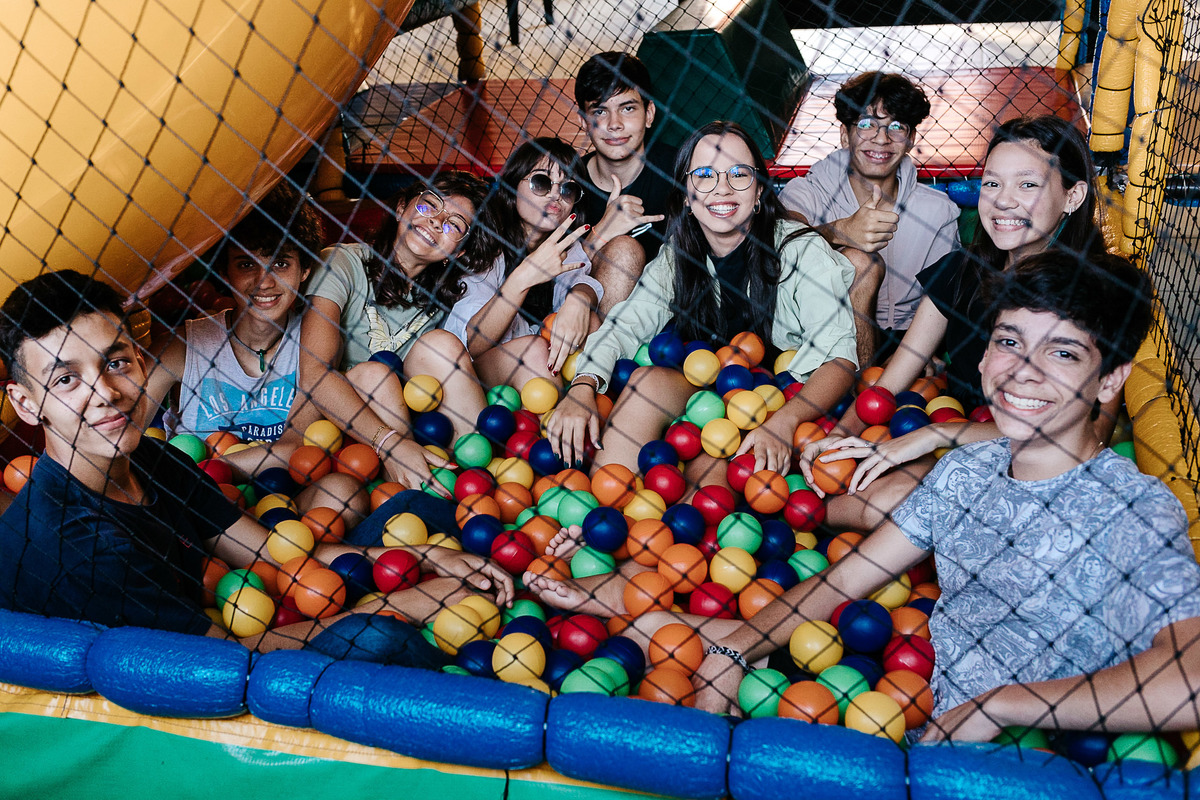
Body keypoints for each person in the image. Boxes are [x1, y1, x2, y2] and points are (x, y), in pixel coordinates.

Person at [685, 251, 1200, 745]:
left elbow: (1193, 680)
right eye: (1009, 342)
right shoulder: (965, 471)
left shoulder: (1132, 509)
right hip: (908, 718)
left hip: (1026, 763)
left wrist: (1002, 706)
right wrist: (732, 652)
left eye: (1062, 352)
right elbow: (844, 579)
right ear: (984, 356)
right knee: (656, 629)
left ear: (1110, 380)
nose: (1024, 370)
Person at [0, 271, 513, 652]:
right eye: (66, 380)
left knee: (417, 509)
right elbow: (221, 661)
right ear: (25, 403)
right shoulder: (77, 545)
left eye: (116, 363)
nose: (106, 393)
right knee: (378, 635)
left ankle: (507, 581)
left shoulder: (150, 458)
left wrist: (427, 559)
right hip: (181, 688)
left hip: (227, 615)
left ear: (139, 360)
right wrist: (401, 603)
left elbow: (268, 552)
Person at [799, 115, 1111, 532]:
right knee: (873, 490)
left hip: (1035, 459)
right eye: (993, 183)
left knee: (895, 503)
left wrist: (933, 436)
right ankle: (787, 514)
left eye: (1027, 185)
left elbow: (1090, 433)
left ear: (1073, 196)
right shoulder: (961, 272)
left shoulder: (1097, 292)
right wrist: (839, 436)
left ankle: (803, 518)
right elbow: (891, 383)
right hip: (957, 429)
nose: (1003, 201)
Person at [546, 121, 857, 482]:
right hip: (703, 399)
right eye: (705, 175)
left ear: (759, 190)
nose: (722, 187)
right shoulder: (678, 256)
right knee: (646, 383)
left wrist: (785, 421)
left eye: (739, 174)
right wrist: (583, 386)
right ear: (687, 197)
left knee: (711, 481)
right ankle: (601, 505)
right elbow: (625, 325)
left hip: (783, 400)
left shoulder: (801, 250)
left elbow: (839, 358)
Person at [302, 172, 490, 496]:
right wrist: (391, 442)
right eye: (429, 205)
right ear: (402, 206)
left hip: (417, 427)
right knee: (375, 375)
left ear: (459, 251)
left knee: (443, 344)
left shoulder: (446, 299)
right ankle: (415, 496)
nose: (436, 222)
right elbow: (313, 373)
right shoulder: (342, 262)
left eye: (454, 225)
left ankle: (473, 481)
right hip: (340, 431)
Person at [779, 72, 960, 366]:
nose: (881, 138)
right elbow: (781, 242)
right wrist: (839, 231)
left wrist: (913, 355)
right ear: (844, 134)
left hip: (906, 338)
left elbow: (941, 300)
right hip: (819, 332)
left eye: (896, 127)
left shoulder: (937, 211)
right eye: (866, 124)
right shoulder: (807, 191)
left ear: (910, 139)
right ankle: (858, 386)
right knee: (859, 261)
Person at [442, 137, 597, 389]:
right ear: (513, 186)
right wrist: (525, 277)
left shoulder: (564, 244)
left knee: (591, 322)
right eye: (541, 182)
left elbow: (580, 278)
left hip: (538, 370)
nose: (555, 195)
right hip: (472, 371)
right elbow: (472, 343)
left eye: (568, 189)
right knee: (535, 350)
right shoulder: (487, 242)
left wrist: (579, 298)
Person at [573, 51, 671, 316]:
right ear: (583, 120)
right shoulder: (566, 186)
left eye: (627, 108)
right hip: (590, 323)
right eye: (600, 111)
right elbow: (549, 288)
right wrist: (601, 233)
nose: (614, 124)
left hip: (672, 320)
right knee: (623, 251)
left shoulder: (679, 173)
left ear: (649, 114)